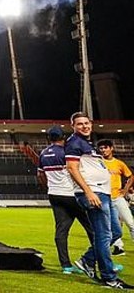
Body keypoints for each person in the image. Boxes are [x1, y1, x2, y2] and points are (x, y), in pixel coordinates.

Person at [66, 111, 133, 289]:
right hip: (94, 193)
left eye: (86, 123)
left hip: (104, 193)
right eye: (80, 124)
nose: (84, 126)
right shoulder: (74, 143)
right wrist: (88, 192)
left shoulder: (86, 143)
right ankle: (109, 277)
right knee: (103, 236)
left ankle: (87, 260)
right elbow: (72, 168)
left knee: (116, 233)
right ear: (73, 126)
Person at [38, 126, 94, 274]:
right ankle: (96, 260)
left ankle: (66, 266)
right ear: (64, 137)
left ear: (49, 138)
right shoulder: (67, 151)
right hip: (71, 194)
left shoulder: (43, 153)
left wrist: (48, 188)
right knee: (93, 228)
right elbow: (75, 171)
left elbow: (40, 176)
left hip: (54, 195)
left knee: (61, 230)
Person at [98, 139, 134, 255]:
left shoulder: (119, 163)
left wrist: (125, 190)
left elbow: (130, 176)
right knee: (112, 225)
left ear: (111, 148)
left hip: (118, 197)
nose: (103, 150)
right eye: (101, 148)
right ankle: (119, 247)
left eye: (105, 147)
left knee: (130, 222)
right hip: (105, 198)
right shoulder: (98, 163)